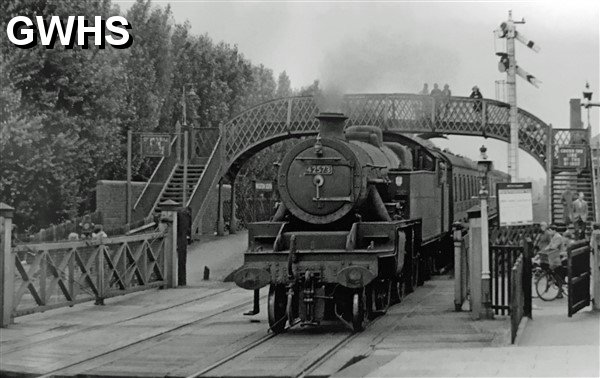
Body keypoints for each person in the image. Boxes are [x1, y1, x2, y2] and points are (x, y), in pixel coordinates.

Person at [176, 206, 192, 286]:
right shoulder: (187, 216)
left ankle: (181, 281)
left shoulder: (180, 214)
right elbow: (188, 228)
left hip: (179, 237)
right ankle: (182, 281)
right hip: (182, 238)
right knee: (182, 260)